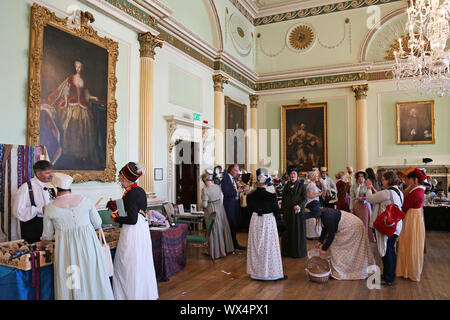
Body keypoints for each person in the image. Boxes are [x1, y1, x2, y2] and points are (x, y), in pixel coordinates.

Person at [41, 173, 114, 300]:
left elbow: (47, 236)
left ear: (54, 189)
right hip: (89, 249)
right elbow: (98, 223)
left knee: (73, 284)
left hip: (68, 254)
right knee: (92, 278)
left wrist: (40, 244)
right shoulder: (85, 200)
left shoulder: (50, 208)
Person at [111, 162, 158, 300]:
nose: (119, 180)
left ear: (126, 178)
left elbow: (132, 220)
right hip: (141, 230)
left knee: (127, 263)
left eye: (120, 177)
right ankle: (141, 294)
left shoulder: (131, 194)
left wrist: (116, 218)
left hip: (132, 231)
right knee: (140, 262)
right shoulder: (140, 190)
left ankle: (128, 295)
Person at [41, 60, 101, 167]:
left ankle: (80, 153)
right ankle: (69, 152)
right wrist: (65, 103)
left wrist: (93, 97)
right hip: (71, 104)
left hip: (82, 106)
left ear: (82, 68)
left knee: (82, 130)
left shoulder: (83, 81)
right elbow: (66, 92)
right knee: (70, 126)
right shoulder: (70, 78)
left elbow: (86, 95)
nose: (78, 68)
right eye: (76, 66)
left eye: (79, 67)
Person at [305, 207, 375, 280]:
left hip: (352, 227)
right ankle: (343, 268)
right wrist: (320, 241)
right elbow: (325, 228)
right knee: (337, 246)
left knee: (338, 247)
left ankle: (343, 271)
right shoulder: (324, 213)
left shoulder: (327, 216)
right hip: (351, 224)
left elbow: (331, 235)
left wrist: (324, 249)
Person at [246, 173, 287, 281]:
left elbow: (249, 210)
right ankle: (271, 273)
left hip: (255, 220)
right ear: (266, 183)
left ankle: (256, 273)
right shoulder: (271, 195)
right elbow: (277, 212)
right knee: (269, 246)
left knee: (256, 246)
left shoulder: (250, 195)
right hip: (267, 221)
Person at [366, 171, 404, 286]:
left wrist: (368, 187)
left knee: (388, 252)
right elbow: (384, 200)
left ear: (388, 180)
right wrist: (376, 193)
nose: (382, 182)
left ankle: (389, 278)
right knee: (390, 250)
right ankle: (388, 274)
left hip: (387, 226)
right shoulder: (399, 192)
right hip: (395, 225)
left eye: (383, 179)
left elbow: (369, 199)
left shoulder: (387, 193)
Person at [13, 160, 55, 244]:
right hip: (32, 229)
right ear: (38, 174)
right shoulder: (25, 188)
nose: (51, 175)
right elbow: (17, 212)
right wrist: (39, 209)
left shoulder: (52, 187)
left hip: (51, 227)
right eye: (47, 173)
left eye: (51, 172)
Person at [396, 168, 427, 281]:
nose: (407, 182)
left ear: (415, 180)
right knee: (409, 243)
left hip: (412, 219)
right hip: (413, 217)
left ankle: (409, 270)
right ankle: (407, 270)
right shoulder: (416, 189)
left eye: (409, 179)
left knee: (410, 243)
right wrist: (409, 188)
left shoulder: (417, 192)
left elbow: (404, 205)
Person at [201, 172, 234, 259]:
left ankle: (216, 251)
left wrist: (202, 205)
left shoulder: (205, 189)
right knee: (222, 228)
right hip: (220, 208)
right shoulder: (217, 186)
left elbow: (204, 205)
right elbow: (221, 197)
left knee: (213, 230)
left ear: (204, 181)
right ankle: (226, 249)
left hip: (211, 210)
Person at [280, 166, 308, 258]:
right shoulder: (286, 186)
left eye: (294, 174)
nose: (293, 175)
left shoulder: (301, 186)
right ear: (289, 175)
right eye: (291, 174)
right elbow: (283, 199)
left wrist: (299, 205)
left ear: (297, 175)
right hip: (288, 213)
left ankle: (297, 253)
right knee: (287, 232)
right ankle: (287, 252)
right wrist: (282, 211)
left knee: (297, 232)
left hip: (297, 214)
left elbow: (305, 199)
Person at [221, 164, 245, 250]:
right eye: (236, 170)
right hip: (229, 205)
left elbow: (235, 190)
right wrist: (237, 191)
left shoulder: (234, 179)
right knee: (231, 225)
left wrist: (240, 189)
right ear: (231, 170)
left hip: (235, 204)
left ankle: (234, 244)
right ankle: (230, 245)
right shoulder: (225, 180)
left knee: (234, 225)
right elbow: (226, 193)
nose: (237, 172)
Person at [350, 170, 375, 243]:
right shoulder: (354, 186)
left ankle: (366, 239)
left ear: (364, 177)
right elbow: (351, 197)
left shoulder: (367, 185)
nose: (360, 178)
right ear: (357, 178)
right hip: (356, 206)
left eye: (362, 176)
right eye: (359, 176)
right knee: (356, 223)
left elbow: (371, 196)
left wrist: (363, 199)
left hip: (365, 206)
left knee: (365, 223)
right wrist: (351, 208)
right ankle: (357, 239)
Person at [305, 170, 323, 239]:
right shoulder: (311, 185)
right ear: (313, 177)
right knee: (319, 214)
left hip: (314, 202)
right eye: (316, 176)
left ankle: (317, 233)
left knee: (319, 213)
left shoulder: (313, 184)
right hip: (311, 203)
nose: (318, 177)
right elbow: (310, 196)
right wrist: (319, 194)